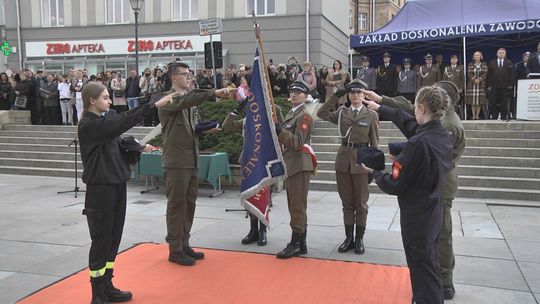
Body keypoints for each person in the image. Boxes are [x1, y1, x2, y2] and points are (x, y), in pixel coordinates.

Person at [364, 81, 465, 299]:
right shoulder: (441, 134)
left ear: (421, 108)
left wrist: (374, 173)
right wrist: (381, 107)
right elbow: (412, 126)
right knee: (430, 267)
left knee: (422, 271)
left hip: (417, 217)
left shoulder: (418, 144)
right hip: (432, 210)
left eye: (415, 106)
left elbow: (395, 184)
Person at [78, 82, 171, 304]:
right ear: (92, 100)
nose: (109, 101)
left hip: (116, 184)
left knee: (113, 237)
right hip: (100, 188)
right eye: (105, 97)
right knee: (101, 239)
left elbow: (119, 142)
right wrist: (153, 105)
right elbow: (121, 123)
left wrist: (139, 148)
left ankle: (108, 286)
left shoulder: (102, 123)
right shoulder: (89, 125)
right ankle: (98, 293)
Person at [158, 62, 231, 266]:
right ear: (174, 77)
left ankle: (184, 242)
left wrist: (205, 130)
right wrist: (214, 92)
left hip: (191, 159)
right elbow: (184, 101)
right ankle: (174, 248)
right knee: (176, 205)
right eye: (185, 74)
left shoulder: (189, 102)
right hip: (176, 161)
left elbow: (192, 127)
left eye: (190, 74)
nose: (189, 77)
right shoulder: (167, 99)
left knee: (189, 203)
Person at [317, 79, 379, 254]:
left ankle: (359, 239)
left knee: (361, 203)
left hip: (362, 161)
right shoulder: (342, 112)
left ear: (364, 94)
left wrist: (373, 167)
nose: (355, 95)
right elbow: (321, 113)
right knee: (347, 203)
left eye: (359, 92)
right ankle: (348, 238)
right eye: (352, 92)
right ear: (348, 94)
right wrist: (335, 96)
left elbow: (374, 143)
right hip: (343, 160)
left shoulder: (371, 115)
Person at [222, 97, 284, 246]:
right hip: (249, 162)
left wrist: (270, 110)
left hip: (264, 162)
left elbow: (281, 129)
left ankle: (263, 230)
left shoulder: (273, 110)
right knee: (250, 194)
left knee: (263, 198)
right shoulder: (246, 120)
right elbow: (227, 126)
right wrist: (237, 109)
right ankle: (253, 230)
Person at [274, 80, 314, 259]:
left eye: (298, 92)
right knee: (294, 204)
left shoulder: (304, 116)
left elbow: (298, 143)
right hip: (291, 164)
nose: (293, 94)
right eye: (291, 91)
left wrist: (279, 131)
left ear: (305, 96)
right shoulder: (292, 114)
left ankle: (296, 242)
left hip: (299, 164)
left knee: (297, 205)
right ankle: (301, 242)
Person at [487, 48, 513, 120]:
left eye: (503, 53)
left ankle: (503, 116)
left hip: (505, 86)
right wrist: (489, 85)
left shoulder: (509, 62)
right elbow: (489, 75)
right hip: (494, 86)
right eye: (500, 53)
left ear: (505, 54)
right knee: (493, 101)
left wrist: (510, 85)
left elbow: (511, 74)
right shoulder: (492, 63)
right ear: (497, 54)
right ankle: (494, 116)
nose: (501, 54)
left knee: (503, 102)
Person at [465, 51, 488, 120]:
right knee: (473, 101)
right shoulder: (470, 64)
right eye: (475, 55)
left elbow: (485, 73)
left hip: (480, 84)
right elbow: (469, 73)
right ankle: (473, 115)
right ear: (473, 57)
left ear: (480, 56)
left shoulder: (484, 64)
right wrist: (474, 80)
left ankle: (477, 115)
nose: (476, 57)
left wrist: (479, 79)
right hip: (472, 84)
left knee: (479, 101)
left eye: (478, 55)